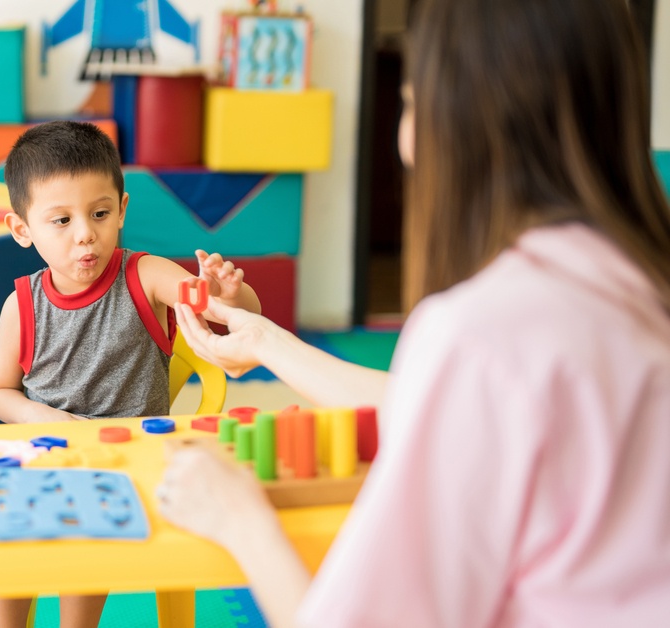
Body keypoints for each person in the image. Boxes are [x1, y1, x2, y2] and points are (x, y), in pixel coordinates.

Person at [157, 0, 670, 627]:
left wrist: (240, 519)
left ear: (455, 121)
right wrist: (265, 341)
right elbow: (439, 400)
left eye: (407, 101)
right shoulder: (638, 292)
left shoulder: (483, 332)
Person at [0, 120, 260, 627]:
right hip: (43, 453)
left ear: (122, 210)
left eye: (99, 213)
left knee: (84, 557)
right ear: (23, 229)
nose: (86, 233)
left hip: (125, 462)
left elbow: (221, 311)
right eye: (61, 221)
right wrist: (41, 416)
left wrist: (225, 293)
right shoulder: (20, 305)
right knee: (10, 543)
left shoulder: (145, 275)